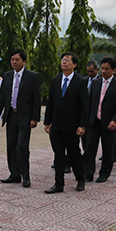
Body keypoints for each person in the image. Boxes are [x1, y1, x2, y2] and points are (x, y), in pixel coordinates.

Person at [0, 49, 41, 188]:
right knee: (11, 146)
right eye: (12, 59)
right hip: (11, 116)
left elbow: (36, 99)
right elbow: (1, 98)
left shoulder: (32, 77)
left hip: (25, 117)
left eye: (17, 60)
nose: (14, 62)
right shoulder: (7, 76)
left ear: (24, 61)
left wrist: (35, 118)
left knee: (22, 146)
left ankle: (25, 176)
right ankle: (14, 174)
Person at [44, 53, 88, 193]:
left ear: (74, 64)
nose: (64, 62)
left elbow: (84, 105)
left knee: (74, 154)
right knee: (58, 155)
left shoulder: (80, 81)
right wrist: (47, 122)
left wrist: (82, 125)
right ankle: (59, 184)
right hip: (56, 125)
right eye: (63, 60)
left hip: (72, 126)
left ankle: (81, 179)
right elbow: (50, 103)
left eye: (67, 60)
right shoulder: (56, 80)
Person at [83, 57, 116, 183]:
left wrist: (115, 120)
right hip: (94, 121)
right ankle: (88, 172)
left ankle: (104, 173)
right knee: (90, 148)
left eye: (107, 69)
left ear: (113, 70)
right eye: (102, 68)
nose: (104, 71)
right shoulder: (96, 83)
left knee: (108, 150)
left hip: (109, 123)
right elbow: (90, 102)